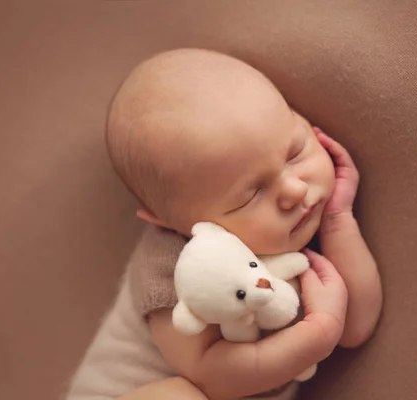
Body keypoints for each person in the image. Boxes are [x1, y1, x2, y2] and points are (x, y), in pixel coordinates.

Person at [67, 48, 382, 400]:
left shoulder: (287, 235)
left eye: (295, 151)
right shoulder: (172, 264)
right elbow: (214, 379)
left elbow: (355, 325)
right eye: (250, 195)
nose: (295, 190)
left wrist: (339, 220)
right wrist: (317, 334)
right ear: (171, 222)